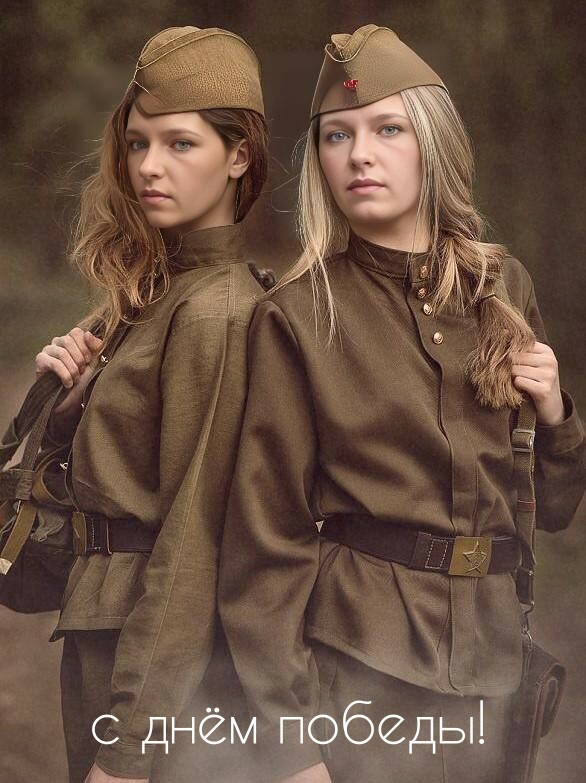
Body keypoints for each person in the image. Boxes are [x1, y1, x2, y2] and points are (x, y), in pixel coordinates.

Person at [218, 24, 585, 783]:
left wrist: (556, 417)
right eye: (337, 135)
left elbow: (549, 511)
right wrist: (292, 747)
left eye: (388, 129)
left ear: (433, 144)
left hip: (491, 668)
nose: (360, 154)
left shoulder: (503, 287)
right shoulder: (297, 316)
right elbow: (264, 546)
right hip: (360, 669)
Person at [33, 25, 269, 783]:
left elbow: (193, 544)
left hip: (148, 658)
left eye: (179, 144)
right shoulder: (156, 295)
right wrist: (66, 412)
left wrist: (131, 749)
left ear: (239, 156)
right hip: (107, 631)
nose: (148, 166)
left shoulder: (216, 312)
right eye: (137, 144)